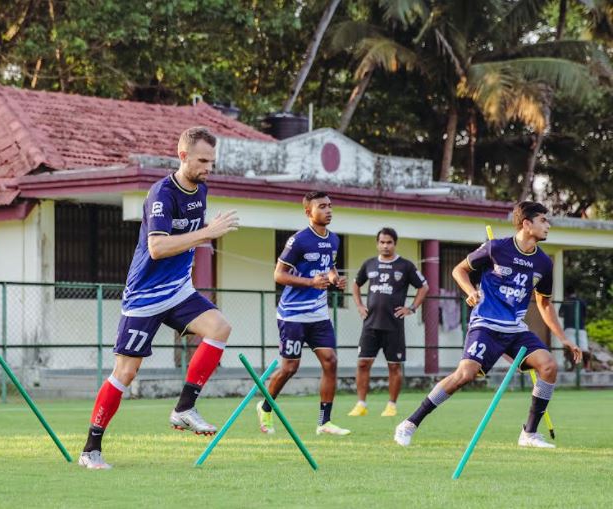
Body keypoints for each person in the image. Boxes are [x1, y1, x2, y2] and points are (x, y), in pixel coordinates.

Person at [78, 127, 240, 470]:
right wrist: (207, 233)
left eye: (212, 160)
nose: (209, 167)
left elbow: (188, 238)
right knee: (126, 372)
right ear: (182, 156)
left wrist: (202, 235)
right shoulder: (161, 194)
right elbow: (158, 247)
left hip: (179, 290)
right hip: (145, 296)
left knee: (220, 328)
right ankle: (90, 449)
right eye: (202, 160)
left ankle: (184, 408)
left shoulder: (202, 189)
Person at [394, 201, 583, 448]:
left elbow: (544, 304)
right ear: (527, 224)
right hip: (486, 324)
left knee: (548, 365)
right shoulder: (496, 248)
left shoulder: (544, 263)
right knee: (465, 375)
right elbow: (459, 271)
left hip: (515, 329)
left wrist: (564, 339)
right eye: (543, 220)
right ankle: (409, 423)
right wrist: (471, 291)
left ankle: (529, 433)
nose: (548, 225)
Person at [256, 191, 350, 436]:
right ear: (309, 212)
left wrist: (335, 280)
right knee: (290, 368)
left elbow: (328, 267)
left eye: (330, 206)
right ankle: (265, 407)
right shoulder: (298, 241)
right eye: (322, 206)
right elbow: (278, 275)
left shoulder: (335, 240)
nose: (328, 210)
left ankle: (324, 422)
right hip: (293, 315)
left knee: (331, 362)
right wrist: (310, 282)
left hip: (318, 314)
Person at [348, 228, 428, 418]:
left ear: (395, 244)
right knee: (363, 363)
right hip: (370, 324)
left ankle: (391, 405)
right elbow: (356, 284)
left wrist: (412, 308)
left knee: (394, 366)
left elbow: (424, 287)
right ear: (377, 244)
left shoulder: (405, 266)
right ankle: (361, 404)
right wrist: (359, 305)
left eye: (389, 242)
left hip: (394, 325)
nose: (385, 246)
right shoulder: (369, 264)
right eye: (382, 242)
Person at [559, 286, 590, 370]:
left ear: (566, 293)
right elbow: (585, 315)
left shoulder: (566, 302)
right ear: (574, 292)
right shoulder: (581, 302)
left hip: (569, 328)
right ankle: (586, 366)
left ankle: (573, 367)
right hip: (581, 328)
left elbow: (560, 314)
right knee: (584, 349)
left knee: (570, 349)